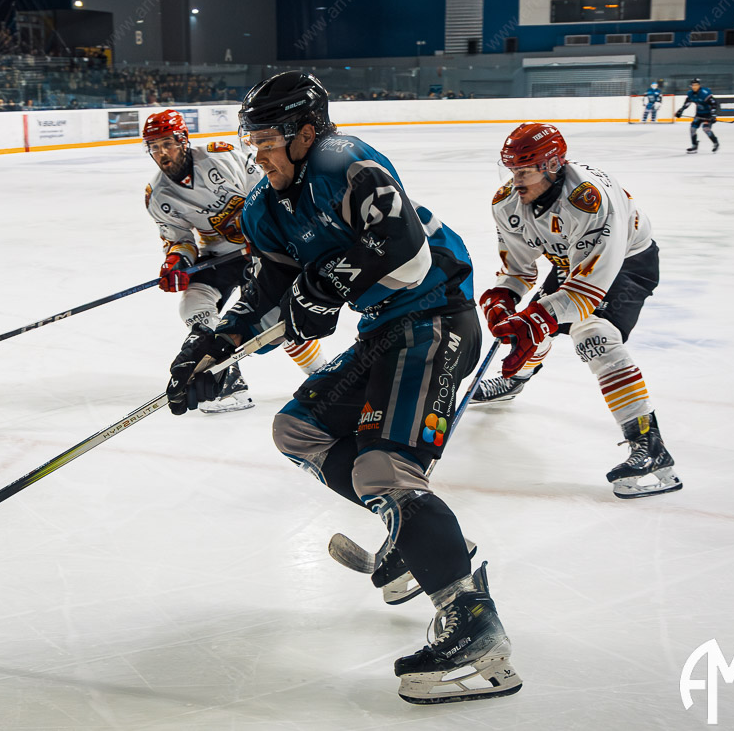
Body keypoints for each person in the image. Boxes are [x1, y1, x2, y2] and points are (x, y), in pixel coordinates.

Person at [165, 72, 520, 705]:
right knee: (297, 428)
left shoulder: (346, 163)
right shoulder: (264, 206)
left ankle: (475, 629)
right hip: (385, 329)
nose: (257, 156)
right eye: (250, 142)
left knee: (385, 468)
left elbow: (407, 256)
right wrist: (212, 346)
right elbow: (266, 292)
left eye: (267, 141)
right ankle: (419, 537)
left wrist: (324, 283)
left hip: (436, 316)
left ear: (306, 133)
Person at [471, 123, 681, 500]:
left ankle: (651, 449)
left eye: (524, 171)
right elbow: (519, 270)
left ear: (552, 166)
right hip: (573, 262)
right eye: (512, 170)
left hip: (628, 262)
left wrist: (535, 318)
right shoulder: (507, 202)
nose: (515, 181)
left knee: (594, 335)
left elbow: (586, 291)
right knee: (533, 322)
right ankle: (517, 379)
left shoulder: (590, 199)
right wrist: (502, 296)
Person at [143, 109, 325, 413]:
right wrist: (176, 262)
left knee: (277, 317)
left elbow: (268, 191)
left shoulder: (221, 157)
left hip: (263, 247)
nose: (162, 153)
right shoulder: (158, 195)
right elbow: (179, 240)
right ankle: (227, 382)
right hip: (219, 257)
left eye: (168, 144)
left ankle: (322, 373)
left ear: (183, 140)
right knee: (194, 305)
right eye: (154, 147)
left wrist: (263, 234)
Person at [675, 78, 720, 153]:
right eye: (693, 85)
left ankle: (716, 143)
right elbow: (687, 103)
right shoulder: (690, 94)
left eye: (696, 85)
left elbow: (714, 104)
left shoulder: (705, 93)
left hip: (708, 115)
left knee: (706, 129)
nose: (694, 87)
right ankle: (694, 145)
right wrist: (680, 111)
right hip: (699, 114)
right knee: (692, 129)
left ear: (699, 85)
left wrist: (713, 115)